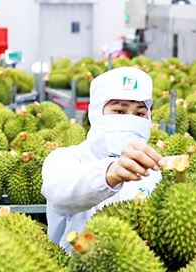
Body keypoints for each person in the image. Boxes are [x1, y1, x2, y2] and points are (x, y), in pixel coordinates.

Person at [41, 66, 163, 251]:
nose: (130, 120)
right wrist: (110, 173)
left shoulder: (154, 171)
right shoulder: (65, 159)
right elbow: (61, 190)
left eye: (139, 114)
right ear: (96, 113)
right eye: (119, 112)